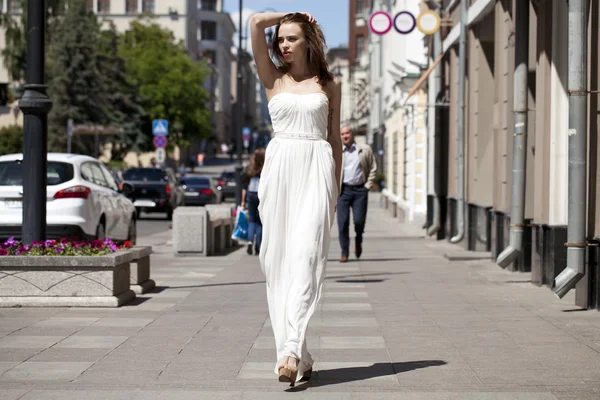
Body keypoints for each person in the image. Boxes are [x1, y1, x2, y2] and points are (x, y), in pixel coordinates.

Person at [251, 11, 342, 386]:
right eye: (281, 39)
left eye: (291, 38)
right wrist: (290, 15)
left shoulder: (329, 83)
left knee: (306, 257)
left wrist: (335, 189)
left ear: (308, 41)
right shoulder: (273, 78)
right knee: (278, 263)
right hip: (280, 171)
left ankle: (288, 350)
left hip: (316, 167)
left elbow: (334, 138)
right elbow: (255, 22)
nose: (284, 45)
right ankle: (300, 357)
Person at [337, 125, 377, 262]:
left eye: (347, 133)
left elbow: (373, 168)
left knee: (359, 221)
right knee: (342, 223)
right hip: (343, 191)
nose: (345, 136)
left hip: (360, 190)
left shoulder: (364, 149)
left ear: (352, 134)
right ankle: (344, 252)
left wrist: (367, 186)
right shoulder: (337, 152)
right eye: (342, 134)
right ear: (340, 136)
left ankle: (358, 240)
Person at [241, 148, 265, 256]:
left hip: (250, 194)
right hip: (261, 195)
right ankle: (258, 246)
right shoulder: (266, 169)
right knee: (260, 222)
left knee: (252, 220)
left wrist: (243, 201)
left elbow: (244, 187)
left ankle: (250, 241)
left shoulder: (250, 169)